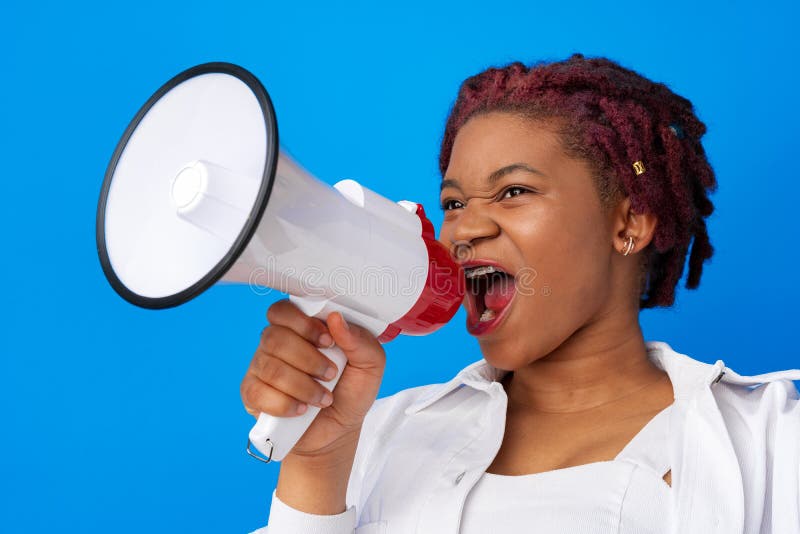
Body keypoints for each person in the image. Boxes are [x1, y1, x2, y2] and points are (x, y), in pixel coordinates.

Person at [240, 54, 800, 533]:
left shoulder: (771, 443)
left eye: (513, 191)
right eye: (454, 203)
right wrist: (315, 465)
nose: (464, 230)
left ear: (629, 224)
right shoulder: (378, 431)